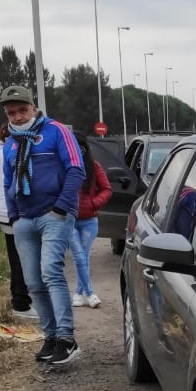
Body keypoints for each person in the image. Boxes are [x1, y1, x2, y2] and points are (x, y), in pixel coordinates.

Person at [0, 85, 85, 367]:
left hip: (54, 214)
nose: (18, 117)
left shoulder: (56, 131)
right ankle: (49, 337)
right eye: (12, 112)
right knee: (33, 283)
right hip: (24, 219)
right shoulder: (10, 143)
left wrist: (62, 206)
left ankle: (66, 338)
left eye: (22, 110)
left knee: (51, 272)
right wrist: (14, 216)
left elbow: (76, 168)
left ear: (33, 108)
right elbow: (8, 182)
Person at [0, 123, 37, 319]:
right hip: (10, 211)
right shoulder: (6, 153)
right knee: (20, 259)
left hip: (3, 211)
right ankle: (21, 303)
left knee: (18, 257)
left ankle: (22, 299)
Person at [70, 131, 112, 309]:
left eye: (79, 147)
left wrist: (94, 203)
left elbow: (107, 189)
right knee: (79, 256)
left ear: (84, 148)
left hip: (89, 221)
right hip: (69, 219)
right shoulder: (63, 166)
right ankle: (89, 293)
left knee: (83, 257)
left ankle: (79, 293)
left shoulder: (94, 167)